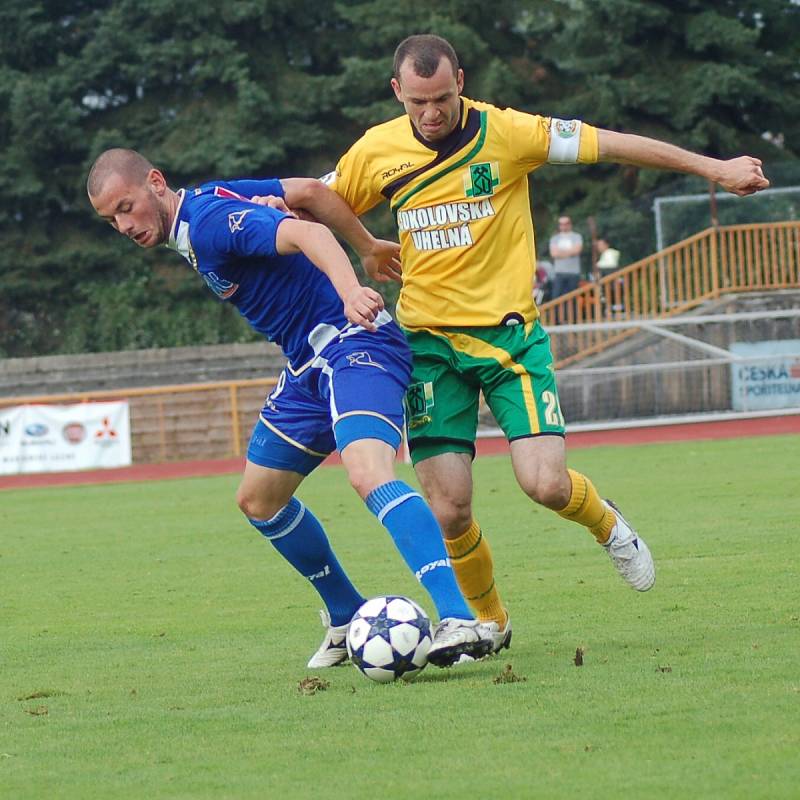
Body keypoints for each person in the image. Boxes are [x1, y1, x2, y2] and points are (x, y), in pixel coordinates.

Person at [291, 34, 769, 645]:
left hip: (510, 339)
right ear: (397, 92)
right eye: (417, 102)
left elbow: (610, 144)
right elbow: (311, 204)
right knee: (448, 508)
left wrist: (712, 167)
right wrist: (352, 247)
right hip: (429, 346)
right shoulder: (375, 151)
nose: (430, 114)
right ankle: (489, 624)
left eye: (440, 98)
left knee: (544, 484)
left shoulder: (511, 133)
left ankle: (607, 523)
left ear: (461, 81)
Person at [86, 148, 497, 669]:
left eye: (126, 207)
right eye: (111, 219)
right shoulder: (204, 206)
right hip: (307, 366)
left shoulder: (210, 223)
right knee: (259, 500)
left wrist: (352, 288)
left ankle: (458, 619)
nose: (124, 225)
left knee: (368, 473)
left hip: (356, 344)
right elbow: (306, 192)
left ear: (155, 183)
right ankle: (346, 613)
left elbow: (309, 232)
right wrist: (368, 244)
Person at [549, 216, 584, 298]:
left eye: (566, 223)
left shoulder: (576, 237)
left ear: (570, 224)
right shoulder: (554, 238)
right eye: (561, 224)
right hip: (559, 272)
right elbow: (553, 254)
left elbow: (577, 250)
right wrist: (570, 252)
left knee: (573, 298)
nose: (564, 226)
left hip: (573, 272)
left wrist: (560, 253)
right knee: (556, 296)